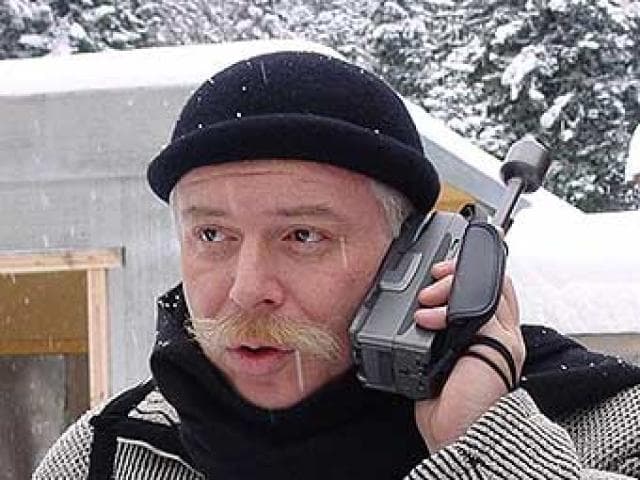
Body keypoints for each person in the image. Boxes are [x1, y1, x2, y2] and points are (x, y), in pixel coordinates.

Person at [34, 50, 640, 479]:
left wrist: (486, 448)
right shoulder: (103, 455)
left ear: (415, 252)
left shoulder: (609, 428)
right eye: (212, 234)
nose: (247, 290)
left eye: (303, 235)